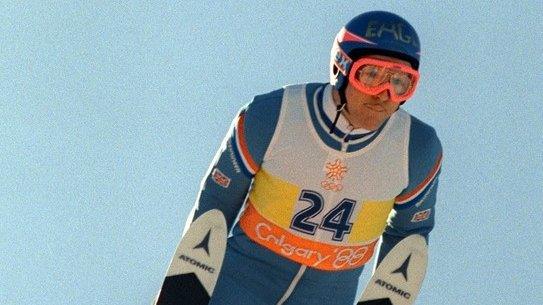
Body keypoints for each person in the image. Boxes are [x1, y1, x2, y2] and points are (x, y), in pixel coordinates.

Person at [180, 11, 442, 305]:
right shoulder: (274, 115)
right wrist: (184, 287)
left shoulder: (417, 148)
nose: (384, 94)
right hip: (240, 283)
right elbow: (218, 200)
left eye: (400, 82)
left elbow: (409, 233)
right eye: (371, 75)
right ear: (341, 68)